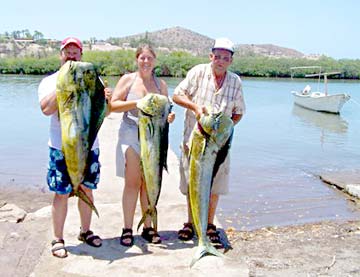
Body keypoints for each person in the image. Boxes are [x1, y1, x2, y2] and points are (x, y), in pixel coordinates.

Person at [172, 38, 246, 243]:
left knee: (214, 187)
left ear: (230, 61)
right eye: (217, 56)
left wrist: (224, 131)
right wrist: (195, 108)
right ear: (210, 56)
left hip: (219, 147)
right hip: (193, 142)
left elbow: (239, 113)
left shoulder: (235, 81)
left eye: (225, 58)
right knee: (192, 185)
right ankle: (190, 222)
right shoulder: (197, 72)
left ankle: (210, 224)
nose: (220, 61)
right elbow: (177, 96)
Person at [38, 37, 105, 258]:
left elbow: (104, 110)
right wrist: (64, 86)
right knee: (60, 193)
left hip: (88, 147)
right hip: (60, 148)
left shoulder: (93, 79)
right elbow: (46, 110)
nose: (71, 55)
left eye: (75, 52)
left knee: (87, 189)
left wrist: (109, 98)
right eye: (67, 52)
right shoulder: (51, 81)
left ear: (81, 56)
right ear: (61, 55)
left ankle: (86, 232)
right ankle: (57, 238)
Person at [110, 44, 175, 247]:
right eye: (142, 58)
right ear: (137, 59)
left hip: (154, 137)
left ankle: (148, 227)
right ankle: (127, 228)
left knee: (149, 182)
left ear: (155, 60)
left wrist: (169, 117)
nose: (146, 62)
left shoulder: (161, 84)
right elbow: (113, 105)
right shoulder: (128, 80)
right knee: (132, 182)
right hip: (131, 134)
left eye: (149, 58)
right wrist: (137, 103)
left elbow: (167, 109)